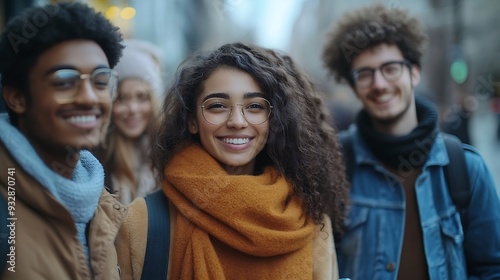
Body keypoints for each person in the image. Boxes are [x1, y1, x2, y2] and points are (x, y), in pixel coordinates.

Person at [115, 42, 349, 279]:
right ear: (192, 120)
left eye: (255, 106)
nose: (237, 121)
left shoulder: (311, 223)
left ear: (274, 119)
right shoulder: (142, 221)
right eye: (217, 106)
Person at [322, 4, 500, 280]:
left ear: (414, 72)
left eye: (390, 68)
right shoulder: (335, 164)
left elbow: (492, 268)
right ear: (355, 86)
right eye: (365, 74)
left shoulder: (465, 167)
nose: (379, 84)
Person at [0, 2, 127, 279]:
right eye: (64, 81)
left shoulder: (105, 209)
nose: (89, 97)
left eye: (101, 80)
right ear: (17, 97)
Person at [94, 39, 162, 204]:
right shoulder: (96, 160)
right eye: (122, 98)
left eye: (142, 97)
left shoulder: (168, 155)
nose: (133, 109)